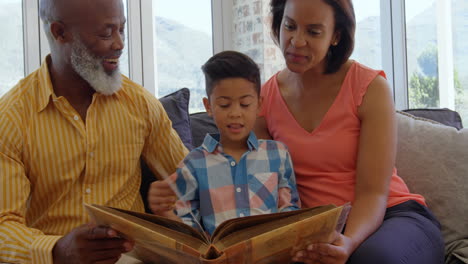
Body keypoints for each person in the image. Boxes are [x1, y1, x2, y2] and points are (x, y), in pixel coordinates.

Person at [254, 0, 445, 263]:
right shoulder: (264, 100)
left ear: (336, 36)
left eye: (313, 32)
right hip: (319, 228)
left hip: (390, 216)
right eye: (290, 26)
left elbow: (373, 193)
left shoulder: (369, 88)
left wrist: (349, 241)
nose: (296, 41)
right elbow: (267, 190)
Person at [0, 0, 188, 263]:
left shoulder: (141, 105)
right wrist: (57, 250)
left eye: (122, 29)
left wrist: (171, 200)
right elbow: (3, 226)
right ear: (59, 32)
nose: (119, 44)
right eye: (106, 33)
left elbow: (192, 180)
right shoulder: (10, 117)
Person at [148, 51, 300, 236]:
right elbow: (189, 232)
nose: (235, 113)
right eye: (224, 105)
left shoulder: (278, 154)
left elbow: (291, 214)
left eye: (245, 104)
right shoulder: (194, 163)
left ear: (259, 105)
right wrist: (163, 211)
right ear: (208, 107)